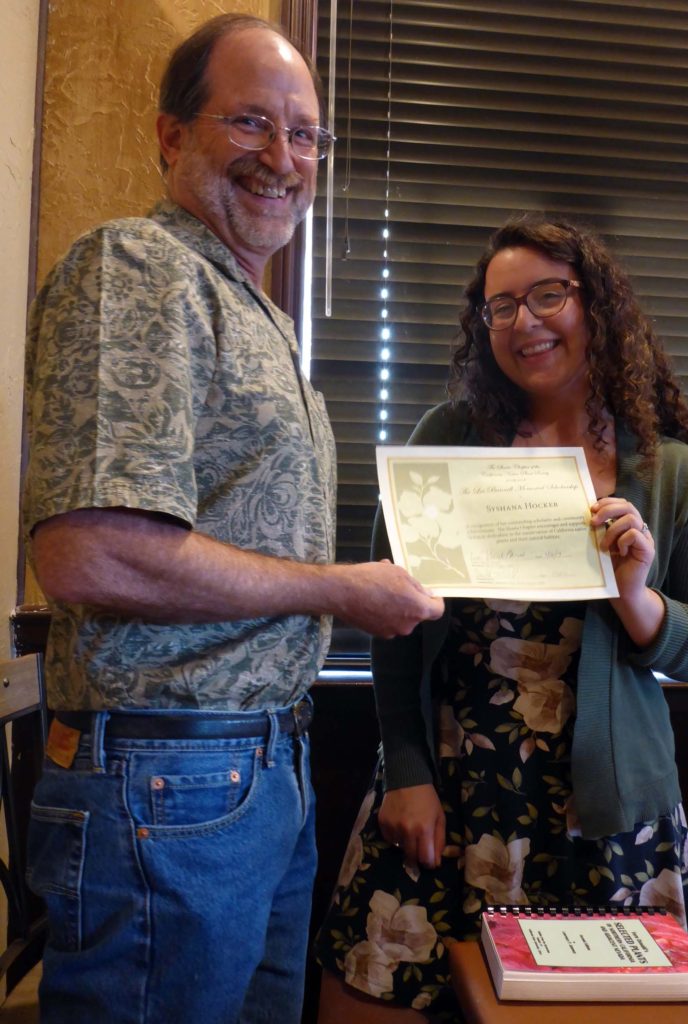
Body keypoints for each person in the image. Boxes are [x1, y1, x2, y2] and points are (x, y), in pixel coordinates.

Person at [22, 14, 443, 1024]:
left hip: (252, 771)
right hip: (168, 779)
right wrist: (340, 587)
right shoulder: (138, 269)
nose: (283, 158)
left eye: (304, 134)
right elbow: (84, 554)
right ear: (171, 135)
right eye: (250, 122)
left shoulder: (253, 311)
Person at [314, 214, 688, 1022]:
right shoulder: (445, 443)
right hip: (442, 795)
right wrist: (405, 772)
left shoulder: (670, 473)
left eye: (550, 295)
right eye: (501, 305)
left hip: (605, 815)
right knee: (372, 995)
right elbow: (396, 634)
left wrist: (639, 598)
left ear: (599, 309)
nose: (526, 322)